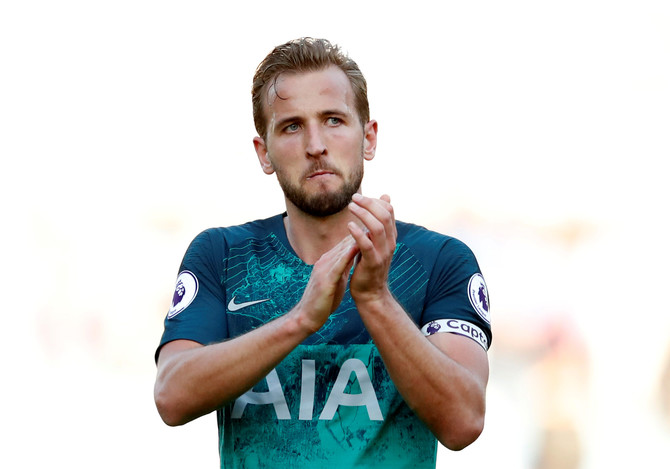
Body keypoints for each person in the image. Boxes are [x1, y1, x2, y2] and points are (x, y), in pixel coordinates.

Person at [154, 37, 492, 468]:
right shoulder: (222, 255)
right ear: (265, 153)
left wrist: (375, 300)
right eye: (292, 126)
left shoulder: (439, 261)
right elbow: (171, 396)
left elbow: (464, 421)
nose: (316, 144)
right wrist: (299, 320)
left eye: (333, 120)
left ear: (368, 138)